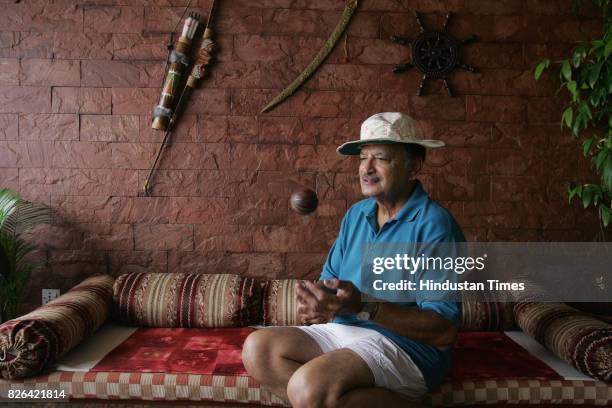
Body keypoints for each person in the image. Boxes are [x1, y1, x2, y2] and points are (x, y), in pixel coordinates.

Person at [242, 112, 465, 407]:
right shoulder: (357, 215)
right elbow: (331, 283)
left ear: (414, 166)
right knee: (258, 348)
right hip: (348, 331)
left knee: (310, 386)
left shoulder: (434, 225)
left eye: (381, 158)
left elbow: (444, 331)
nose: (367, 168)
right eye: (363, 157)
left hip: (407, 346)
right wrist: (320, 302)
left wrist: (366, 307)